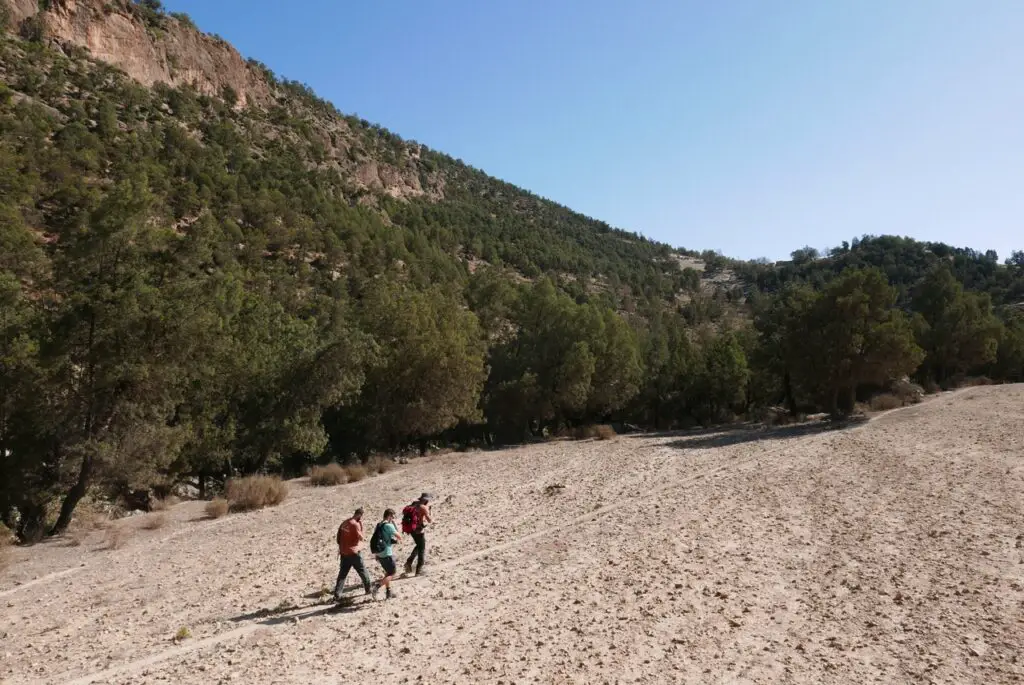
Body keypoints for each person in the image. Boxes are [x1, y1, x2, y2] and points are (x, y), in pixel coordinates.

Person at [334, 507, 372, 601]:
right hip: (354, 553)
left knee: (342, 574)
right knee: (363, 571)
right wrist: (361, 527)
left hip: (344, 552)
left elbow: (338, 539)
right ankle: (368, 589)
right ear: (359, 515)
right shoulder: (355, 524)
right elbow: (361, 538)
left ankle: (337, 594)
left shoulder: (344, 523)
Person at [370, 508, 401, 600]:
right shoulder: (388, 525)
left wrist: (376, 554)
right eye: (393, 517)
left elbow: (376, 538)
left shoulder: (379, 525)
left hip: (379, 553)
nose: (393, 518)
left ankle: (388, 593)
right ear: (389, 516)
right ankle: (377, 587)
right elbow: (399, 536)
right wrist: (394, 525)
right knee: (393, 573)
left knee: (388, 572)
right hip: (386, 553)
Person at [402, 493, 432, 576]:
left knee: (419, 545)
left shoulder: (414, 504)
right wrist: (429, 512)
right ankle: (419, 570)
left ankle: (408, 563)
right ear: (426, 499)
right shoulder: (424, 507)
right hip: (419, 530)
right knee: (422, 548)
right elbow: (429, 520)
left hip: (411, 529)